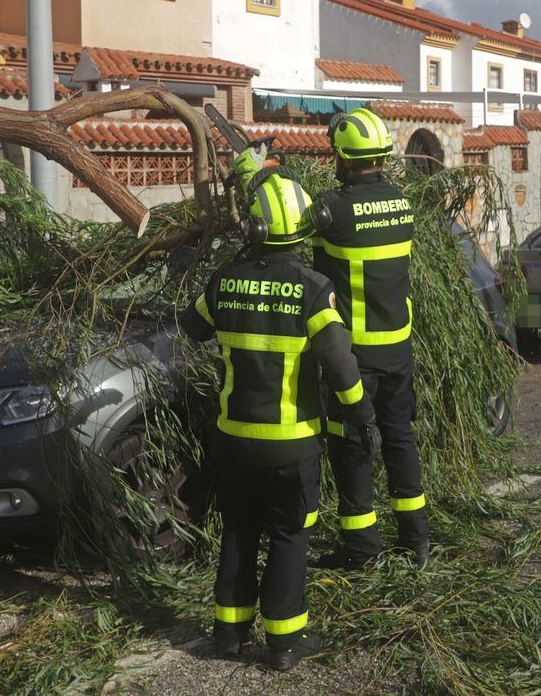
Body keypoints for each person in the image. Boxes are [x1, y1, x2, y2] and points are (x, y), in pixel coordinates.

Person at [179, 173, 372, 671]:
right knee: (289, 537)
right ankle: (285, 643)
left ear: (254, 227)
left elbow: (192, 327)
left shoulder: (225, 281)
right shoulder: (314, 289)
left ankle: (228, 633)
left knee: (239, 531)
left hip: (234, 440)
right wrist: (360, 412)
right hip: (292, 445)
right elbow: (340, 364)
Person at [312, 108, 430, 569]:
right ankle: (416, 541)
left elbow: (283, 231)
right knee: (400, 438)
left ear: (343, 157)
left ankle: (361, 550)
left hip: (355, 357)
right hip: (399, 348)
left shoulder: (333, 208)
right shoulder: (402, 203)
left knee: (352, 446)